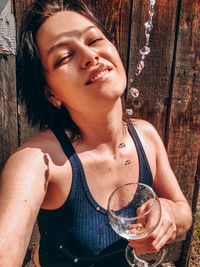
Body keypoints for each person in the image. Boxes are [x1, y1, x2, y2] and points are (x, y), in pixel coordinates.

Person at [0, 0, 192, 266]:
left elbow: (184, 211)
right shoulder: (38, 161)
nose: (90, 56)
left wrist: (169, 212)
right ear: (50, 93)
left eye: (93, 40)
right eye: (65, 56)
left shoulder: (146, 136)